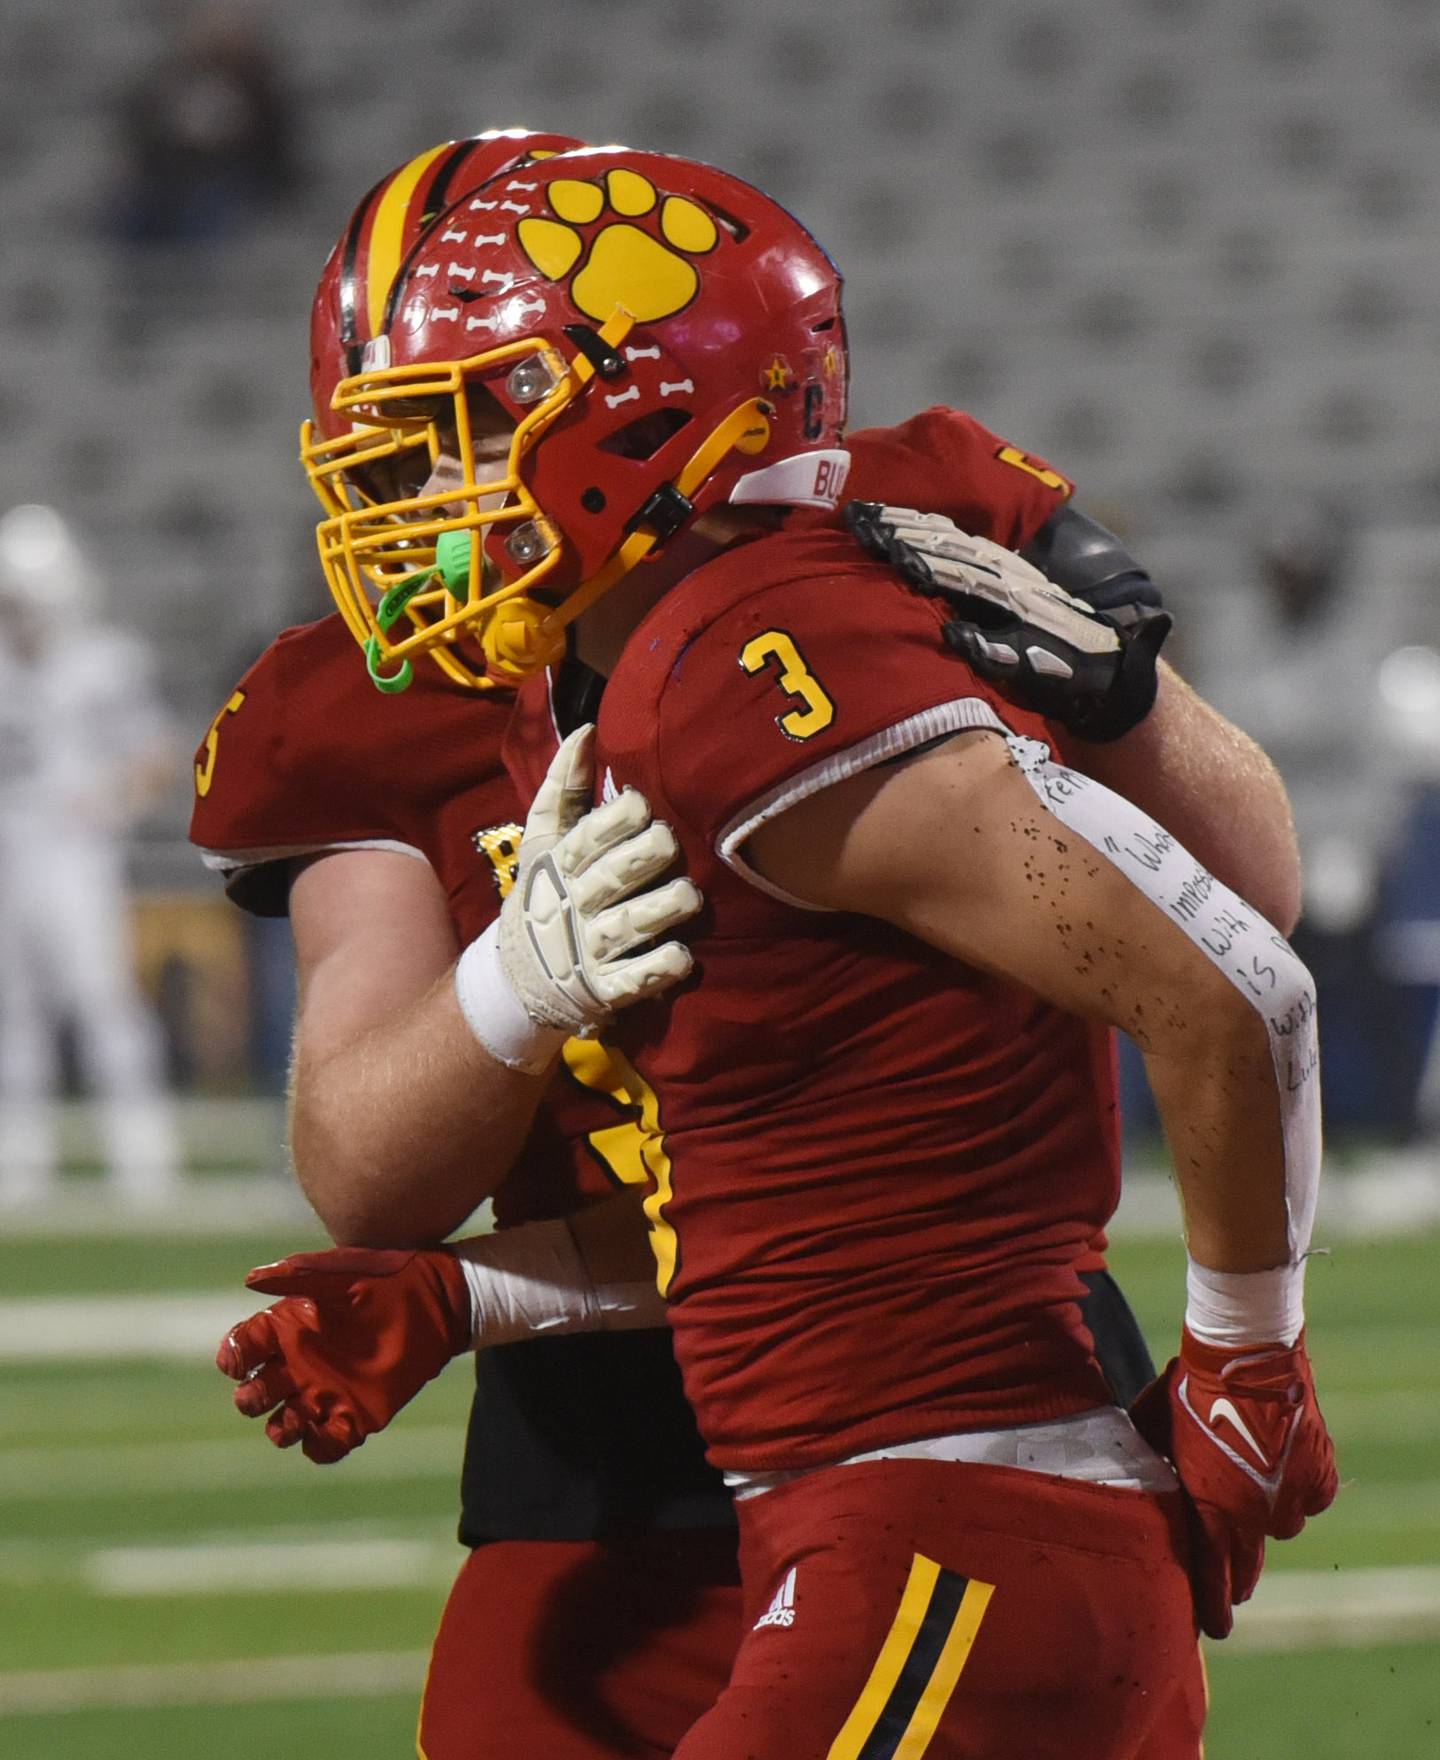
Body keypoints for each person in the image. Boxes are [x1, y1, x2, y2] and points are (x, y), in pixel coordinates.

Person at [224, 143, 1336, 1758]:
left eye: (459, 437)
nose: (414, 511)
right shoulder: (695, 664)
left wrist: (1247, 1353)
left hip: (951, 1508)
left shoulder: (743, 667)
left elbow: (1240, 968)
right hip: (879, 1503)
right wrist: (466, 1290)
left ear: (641, 412)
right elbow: (765, 1205)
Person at [0, 504, 183, 1206]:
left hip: (77, 855)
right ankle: (22, 1158)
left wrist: (106, 807)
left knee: (103, 998)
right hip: (14, 852)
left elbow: (154, 756)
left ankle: (141, 1150)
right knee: (15, 1010)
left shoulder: (103, 661)